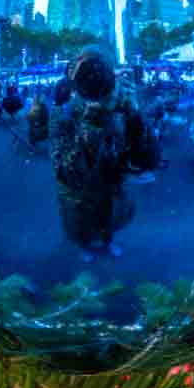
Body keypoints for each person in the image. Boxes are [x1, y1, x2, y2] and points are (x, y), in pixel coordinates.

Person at [51, 47, 132, 262]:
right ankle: (83, 246)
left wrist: (130, 113)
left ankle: (107, 241)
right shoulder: (65, 111)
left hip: (106, 177)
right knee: (80, 218)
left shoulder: (111, 103)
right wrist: (91, 124)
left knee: (108, 212)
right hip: (79, 183)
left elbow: (127, 144)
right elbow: (62, 166)